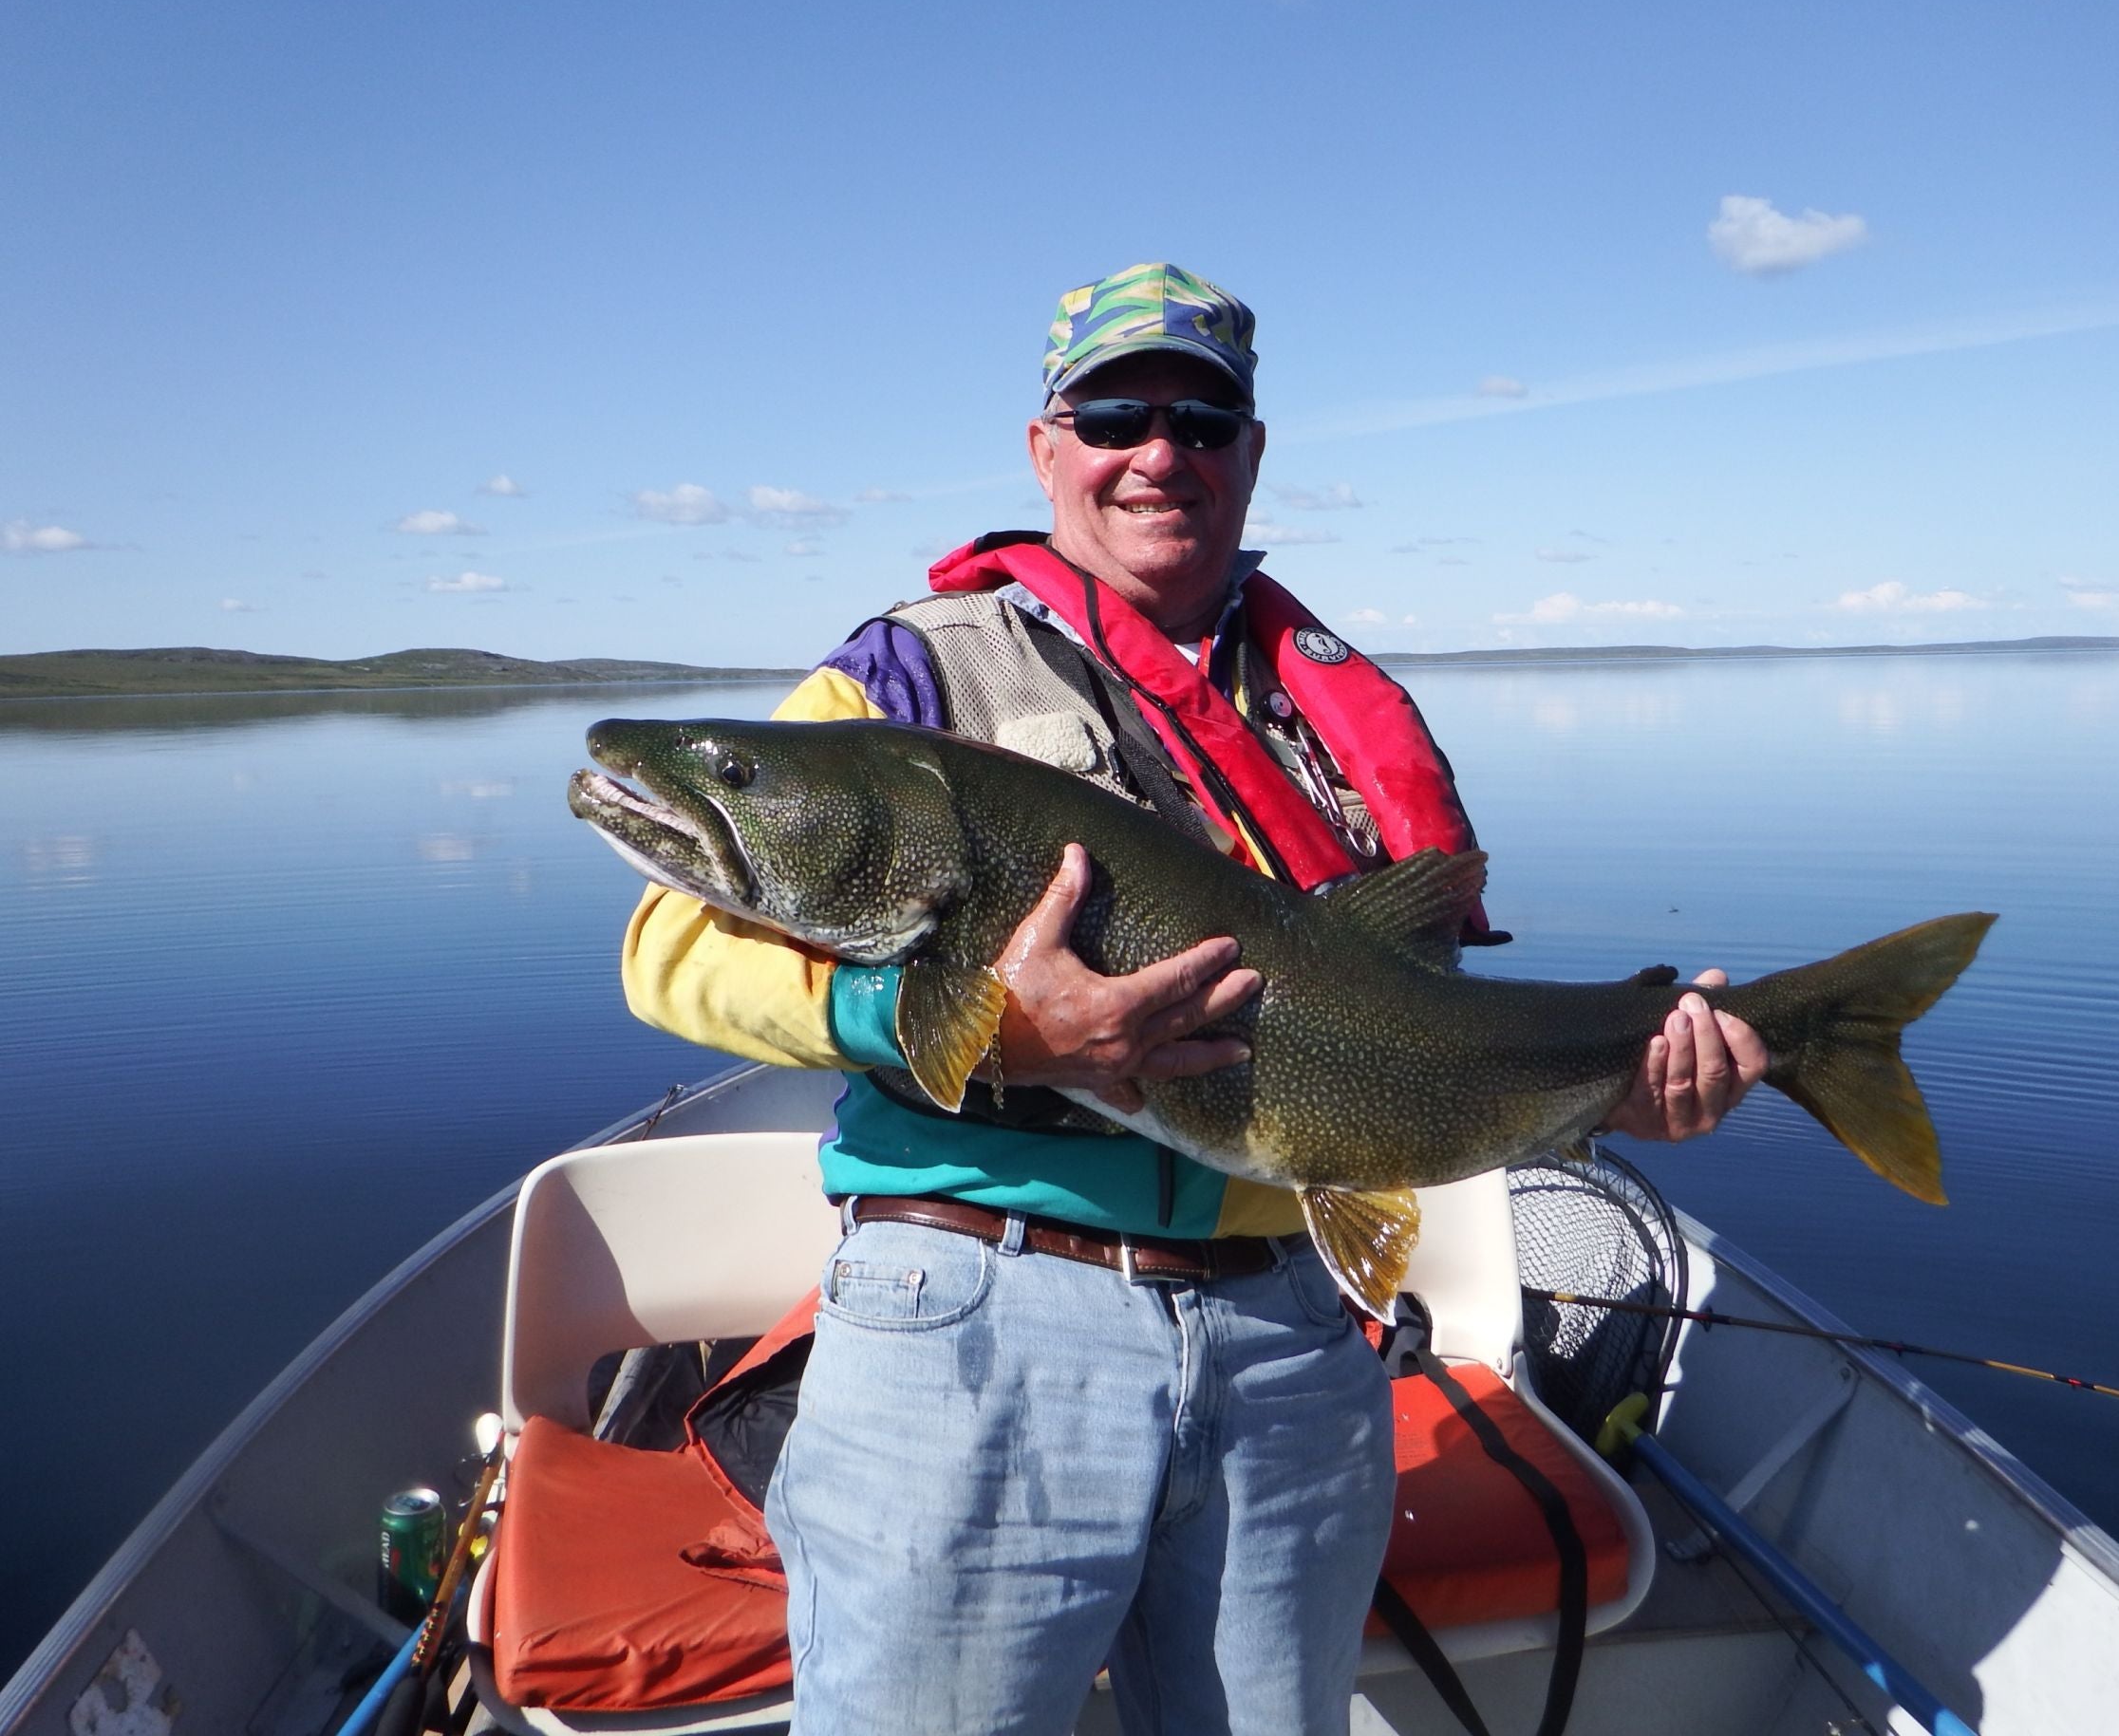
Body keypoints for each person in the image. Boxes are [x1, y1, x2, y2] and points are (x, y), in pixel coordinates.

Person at [619, 263, 1766, 1736]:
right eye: (1113, 414)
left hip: (1296, 1336)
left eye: (1201, 418)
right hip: (981, 1316)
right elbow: (668, 951)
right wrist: (958, 1028)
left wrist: (1616, 1095)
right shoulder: (907, 678)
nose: (1158, 452)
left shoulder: (1340, 723)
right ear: (1048, 449)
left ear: (1251, 452)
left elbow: (1425, 1055)